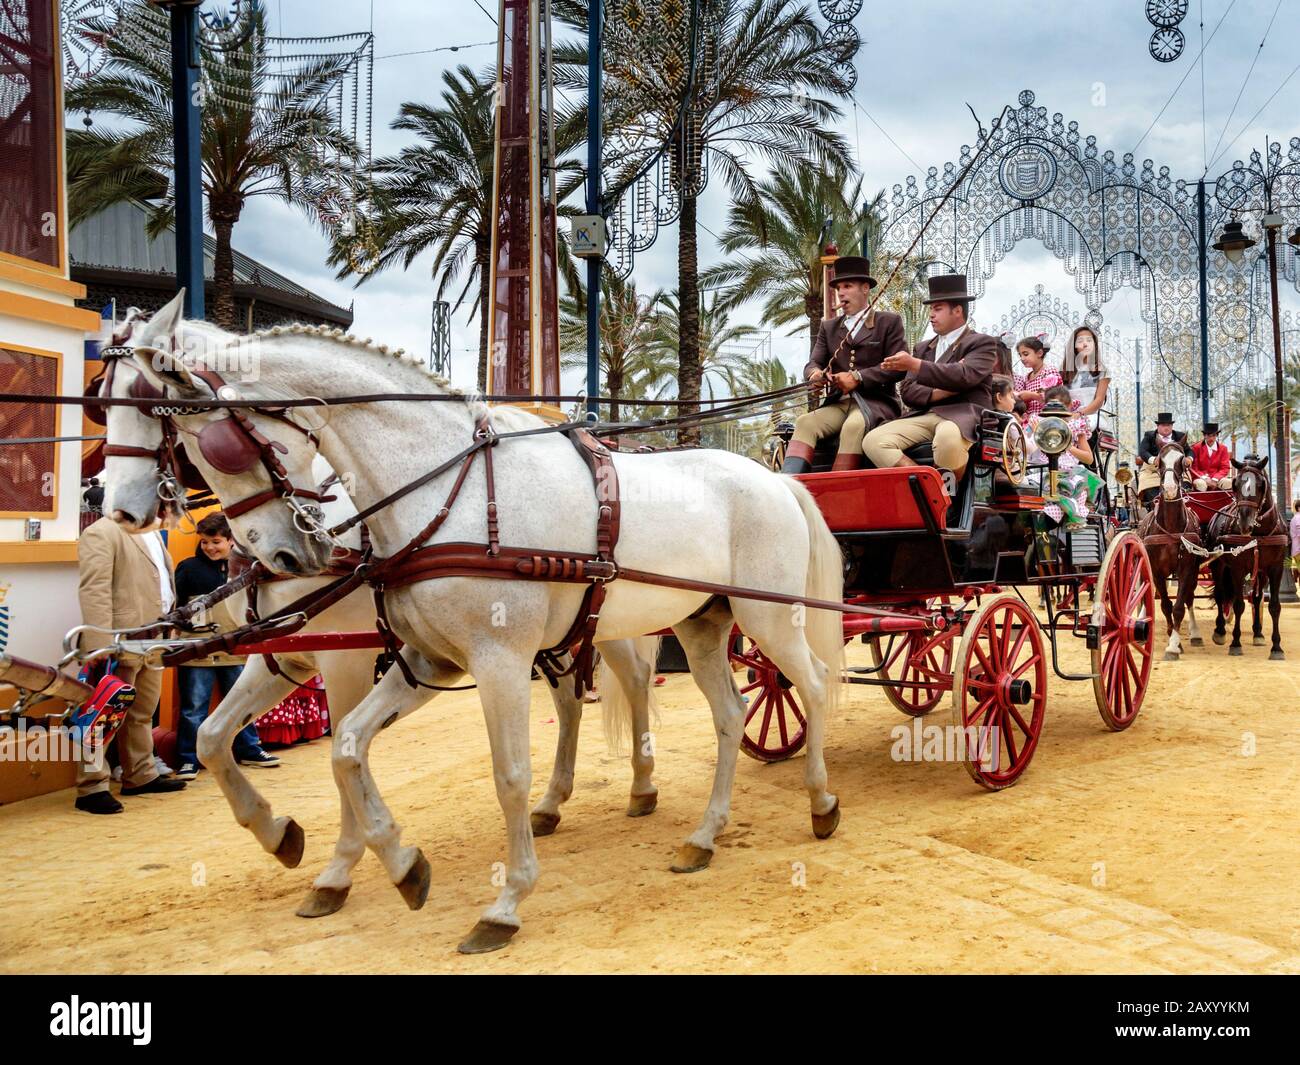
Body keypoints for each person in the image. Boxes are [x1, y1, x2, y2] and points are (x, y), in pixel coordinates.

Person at [74, 515, 187, 814]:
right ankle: (91, 786)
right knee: (103, 715)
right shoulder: (101, 531)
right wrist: (99, 643)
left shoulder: (152, 531)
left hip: (153, 639)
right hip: (119, 641)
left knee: (142, 712)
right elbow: (94, 590)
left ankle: (140, 774)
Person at [172, 512, 280, 780]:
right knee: (193, 706)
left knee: (242, 700)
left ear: (231, 541)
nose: (209, 547)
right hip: (198, 649)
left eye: (216, 542)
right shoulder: (188, 568)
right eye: (205, 542)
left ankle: (250, 749)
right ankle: (188, 759)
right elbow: (179, 605)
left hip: (236, 648)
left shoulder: (245, 568)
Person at [865, 273, 1000, 484]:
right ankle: (928, 490)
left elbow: (965, 376)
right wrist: (945, 389)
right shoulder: (923, 347)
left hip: (964, 415)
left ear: (957, 310)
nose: (931, 315)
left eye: (937, 309)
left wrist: (915, 365)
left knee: (948, 439)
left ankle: (949, 499)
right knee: (874, 441)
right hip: (925, 414)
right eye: (931, 309)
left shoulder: (982, 343)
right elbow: (908, 391)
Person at [781, 255, 906, 473]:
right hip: (839, 403)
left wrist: (858, 378)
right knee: (804, 423)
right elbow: (813, 362)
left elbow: (898, 368)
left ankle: (841, 492)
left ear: (865, 288)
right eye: (839, 287)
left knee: (853, 427)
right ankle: (790, 489)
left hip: (877, 404)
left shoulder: (888, 322)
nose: (841, 292)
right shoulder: (829, 327)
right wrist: (815, 375)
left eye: (847, 286)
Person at [1061, 325, 1111, 429]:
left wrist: (1080, 414)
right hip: (1069, 416)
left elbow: (1099, 400)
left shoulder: (1101, 370)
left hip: (1092, 416)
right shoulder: (1065, 372)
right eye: (1080, 341)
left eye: (1089, 340)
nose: (1085, 344)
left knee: (1078, 426)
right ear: (1073, 346)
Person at [1135, 412, 1190, 506]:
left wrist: (1189, 458)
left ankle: (1183, 508)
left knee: (1186, 483)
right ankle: (1155, 507)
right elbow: (1143, 452)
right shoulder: (1149, 436)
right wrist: (1153, 459)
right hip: (1153, 470)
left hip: (1176, 469)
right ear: (1158, 426)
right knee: (1148, 485)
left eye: (1168, 425)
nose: (1166, 428)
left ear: (1172, 426)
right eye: (1163, 425)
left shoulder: (1180, 436)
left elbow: (1189, 450)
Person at [1012, 336, 1061, 417]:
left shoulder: (1049, 371)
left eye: (1025, 354)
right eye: (1020, 355)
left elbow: (1055, 399)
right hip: (1031, 419)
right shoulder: (1027, 377)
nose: (1022, 358)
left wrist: (1032, 396)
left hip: (1047, 418)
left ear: (1039, 353)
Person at [1189, 423, 1232, 491]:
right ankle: (1201, 501)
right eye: (1209, 435)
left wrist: (1215, 479)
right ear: (1204, 436)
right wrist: (1205, 478)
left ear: (1217, 435)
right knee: (1200, 484)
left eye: (1214, 435)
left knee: (1228, 482)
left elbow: (1225, 467)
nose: (1211, 438)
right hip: (1200, 478)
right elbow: (1194, 467)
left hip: (1217, 478)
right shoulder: (1196, 448)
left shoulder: (1223, 448)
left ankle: (1227, 501)